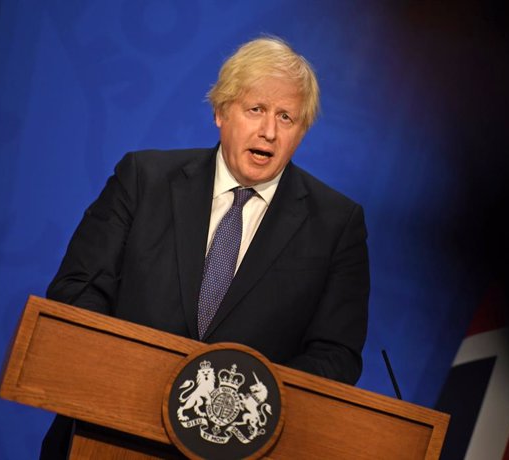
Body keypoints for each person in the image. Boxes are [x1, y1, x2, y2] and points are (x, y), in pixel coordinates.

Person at [41, 36, 369, 456]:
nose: (269, 131)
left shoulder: (336, 224)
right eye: (256, 110)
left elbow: (335, 356)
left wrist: (246, 409)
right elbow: (76, 292)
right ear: (220, 111)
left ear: (302, 132)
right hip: (106, 434)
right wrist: (129, 378)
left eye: (287, 117)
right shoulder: (143, 179)